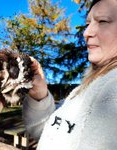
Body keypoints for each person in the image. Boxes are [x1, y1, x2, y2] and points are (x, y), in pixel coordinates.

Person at [23, 0, 117, 149]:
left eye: (103, 21)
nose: (86, 33)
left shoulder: (112, 90)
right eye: (87, 24)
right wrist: (40, 95)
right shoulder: (88, 86)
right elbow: (55, 134)